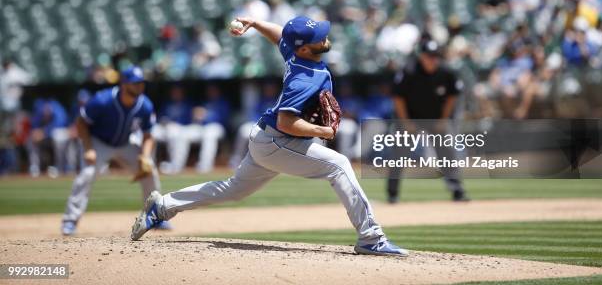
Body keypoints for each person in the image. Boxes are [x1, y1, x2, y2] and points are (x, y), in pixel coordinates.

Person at [131, 16, 408, 257]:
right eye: (318, 38)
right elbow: (288, 122)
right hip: (279, 141)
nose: (325, 38)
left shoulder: (297, 53)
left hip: (268, 140)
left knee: (233, 189)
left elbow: (281, 36)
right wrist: (321, 131)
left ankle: (162, 206)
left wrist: (256, 23)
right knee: (340, 165)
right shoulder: (303, 78)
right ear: (304, 48)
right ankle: (371, 238)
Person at [61, 67, 167, 235]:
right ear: (124, 84)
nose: (140, 87)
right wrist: (88, 148)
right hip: (99, 143)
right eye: (135, 83)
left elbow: (148, 135)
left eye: (141, 83)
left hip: (126, 144)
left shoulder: (145, 105)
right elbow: (81, 123)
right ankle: (70, 221)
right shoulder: (102, 100)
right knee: (87, 173)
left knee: (149, 171)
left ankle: (155, 217)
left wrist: (145, 157)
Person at [389, 39, 469, 203]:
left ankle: (457, 190)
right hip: (410, 118)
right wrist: (406, 122)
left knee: (447, 154)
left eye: (435, 56)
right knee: (399, 155)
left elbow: (452, 96)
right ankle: (393, 193)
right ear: (421, 56)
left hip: (435, 118)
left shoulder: (446, 72)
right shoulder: (409, 71)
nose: (432, 59)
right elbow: (398, 98)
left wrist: (443, 119)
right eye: (428, 56)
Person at [26, 98, 69, 178]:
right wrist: (36, 133)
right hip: (43, 138)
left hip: (55, 136)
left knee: (58, 138)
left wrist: (44, 132)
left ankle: (58, 167)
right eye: (45, 110)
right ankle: (34, 168)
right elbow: (34, 127)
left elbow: (58, 125)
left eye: (48, 110)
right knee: (30, 140)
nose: (46, 112)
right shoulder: (39, 112)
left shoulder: (57, 112)